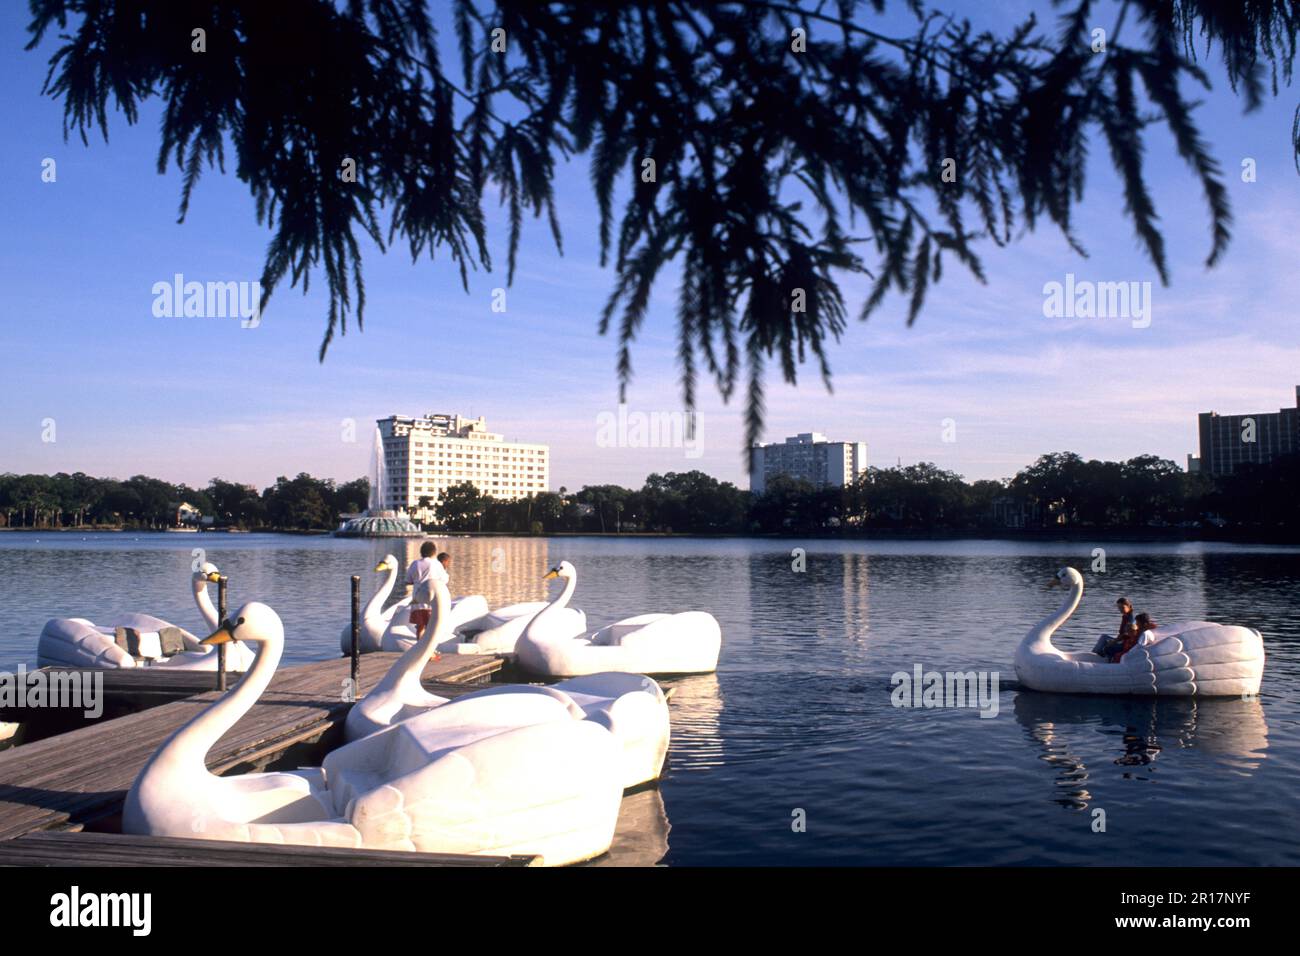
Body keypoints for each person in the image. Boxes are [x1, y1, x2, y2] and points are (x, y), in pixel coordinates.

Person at [405, 542, 442, 639]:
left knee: (420, 626)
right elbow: (444, 580)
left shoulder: (415, 564)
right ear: (434, 552)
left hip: (418, 600)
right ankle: (430, 650)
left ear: (421, 552)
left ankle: (419, 647)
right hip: (432, 600)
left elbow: (408, 581)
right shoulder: (436, 564)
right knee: (432, 626)